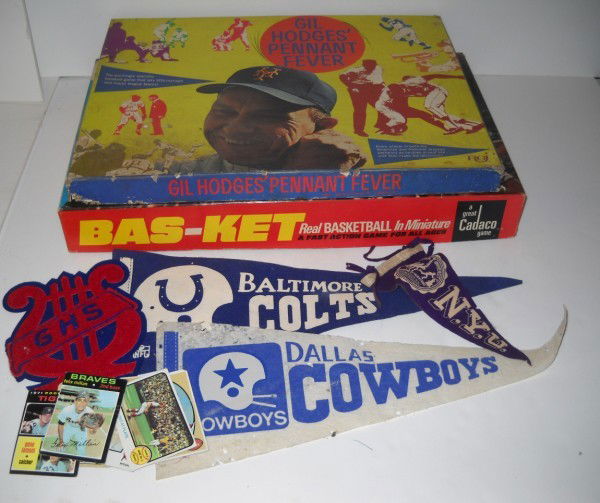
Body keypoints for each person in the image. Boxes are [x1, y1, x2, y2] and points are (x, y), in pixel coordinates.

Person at [185, 66, 366, 174]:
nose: (236, 128)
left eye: (267, 117)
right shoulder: (177, 173)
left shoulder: (357, 181)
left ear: (321, 127)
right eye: (223, 111)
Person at [339, 59, 391, 136]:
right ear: (364, 66)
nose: (371, 69)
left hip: (371, 88)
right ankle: (358, 130)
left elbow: (379, 80)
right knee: (360, 110)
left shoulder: (378, 68)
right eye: (368, 67)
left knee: (382, 105)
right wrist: (352, 86)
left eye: (372, 67)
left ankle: (381, 124)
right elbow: (342, 76)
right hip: (357, 89)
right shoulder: (356, 70)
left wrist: (384, 87)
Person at [57, 392, 96, 457]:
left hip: (81, 429)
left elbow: (92, 431)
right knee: (61, 447)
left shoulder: (90, 413)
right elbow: (60, 424)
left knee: (81, 449)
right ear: (75, 401)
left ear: (87, 403)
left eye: (84, 401)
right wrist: (61, 440)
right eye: (79, 400)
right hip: (69, 427)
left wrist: (93, 429)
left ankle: (79, 460)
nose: (81, 403)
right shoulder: (67, 410)